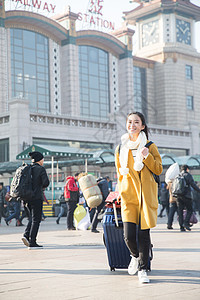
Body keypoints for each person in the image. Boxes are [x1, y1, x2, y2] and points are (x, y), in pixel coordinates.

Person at [115, 111, 162, 284]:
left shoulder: (150, 145)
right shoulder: (120, 148)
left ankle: (143, 269)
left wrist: (146, 156)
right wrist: (120, 192)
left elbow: (158, 169)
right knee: (128, 236)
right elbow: (119, 174)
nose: (132, 125)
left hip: (145, 196)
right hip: (129, 196)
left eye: (136, 122)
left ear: (142, 126)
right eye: (129, 122)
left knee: (143, 235)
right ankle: (135, 256)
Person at [21, 151, 49, 249]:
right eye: (42, 159)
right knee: (36, 220)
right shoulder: (40, 169)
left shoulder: (27, 168)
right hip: (36, 197)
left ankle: (26, 235)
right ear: (39, 160)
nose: (43, 161)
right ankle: (32, 242)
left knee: (32, 219)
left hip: (26, 198)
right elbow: (46, 183)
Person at [176, 165, 200, 232]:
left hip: (178, 196)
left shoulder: (178, 175)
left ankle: (181, 227)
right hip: (187, 196)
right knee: (190, 210)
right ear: (187, 169)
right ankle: (186, 223)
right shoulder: (188, 175)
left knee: (180, 211)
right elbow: (193, 184)